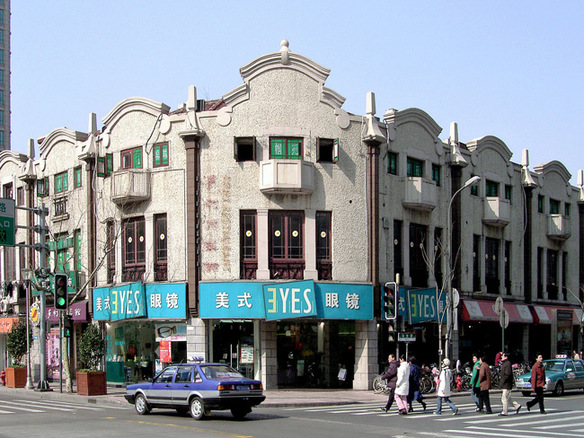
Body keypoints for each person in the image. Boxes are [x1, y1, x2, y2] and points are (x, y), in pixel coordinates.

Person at [498, 351, 521, 416]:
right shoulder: (505, 363)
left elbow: (507, 374)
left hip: (507, 384)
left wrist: (502, 382)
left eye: (502, 356)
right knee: (508, 398)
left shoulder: (507, 364)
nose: (501, 357)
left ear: (506, 357)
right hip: (506, 383)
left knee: (504, 398)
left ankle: (505, 411)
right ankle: (517, 406)